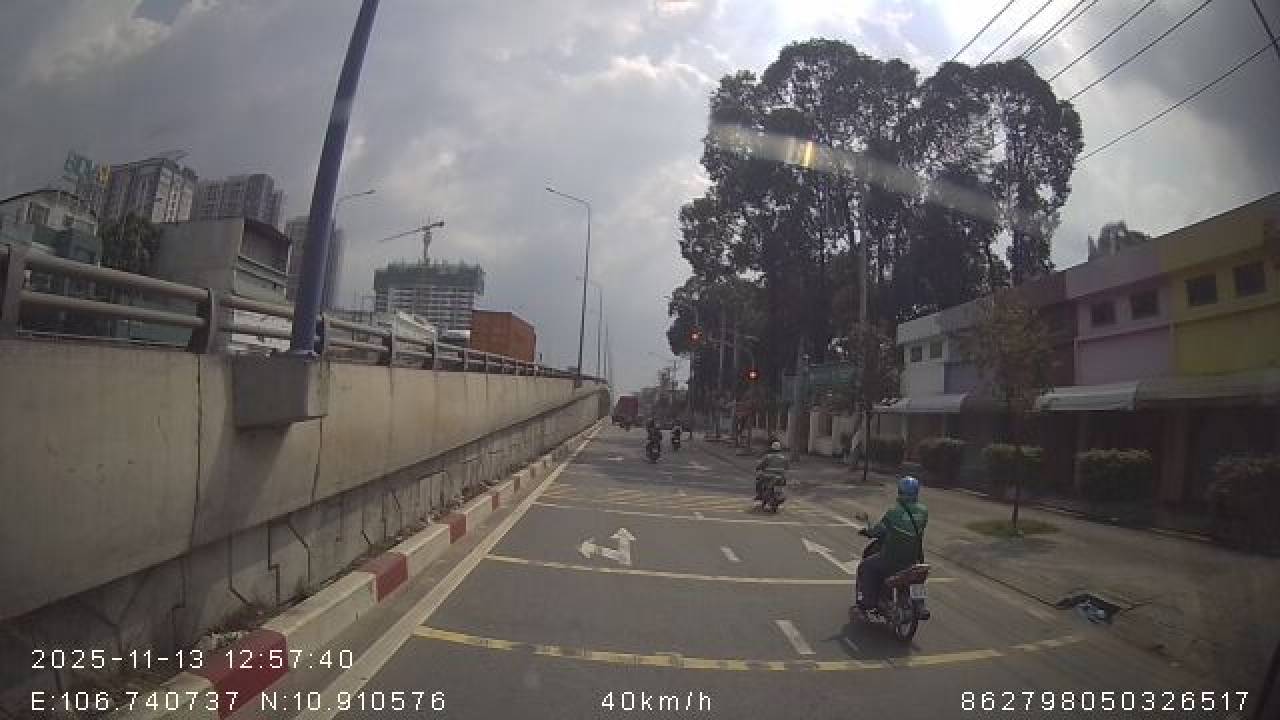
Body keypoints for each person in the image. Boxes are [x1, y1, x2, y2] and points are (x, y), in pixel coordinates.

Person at [855, 476, 928, 612]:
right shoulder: (924, 511)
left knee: (865, 566)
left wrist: (867, 532)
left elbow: (878, 531)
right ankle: (919, 604)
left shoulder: (893, 512)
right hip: (913, 559)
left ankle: (867, 601)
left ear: (900, 491)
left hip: (890, 559)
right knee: (918, 573)